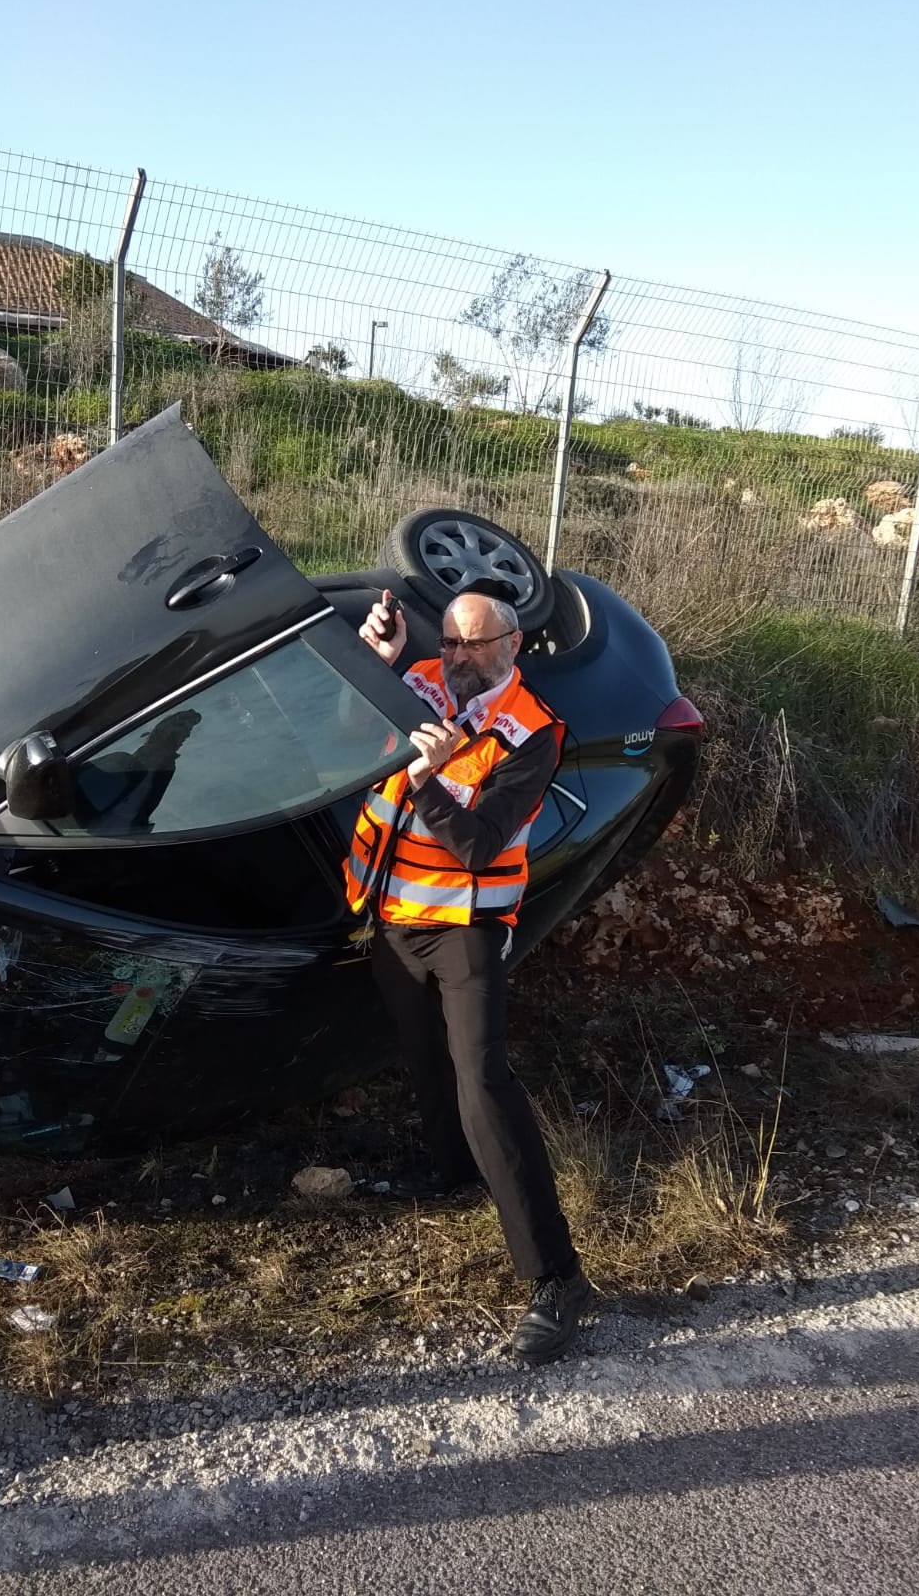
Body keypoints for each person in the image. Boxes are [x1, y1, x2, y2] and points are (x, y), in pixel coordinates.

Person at [346, 579, 594, 1364]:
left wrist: (426, 781)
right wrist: (370, 666)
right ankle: (455, 1174)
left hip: (466, 931)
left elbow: (481, 845)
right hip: (391, 918)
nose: (456, 657)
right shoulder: (417, 681)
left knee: (484, 1082)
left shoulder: (532, 731)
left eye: (474, 644)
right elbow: (341, 738)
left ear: (512, 645)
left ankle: (557, 1278)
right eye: (449, 641)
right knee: (425, 1060)